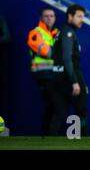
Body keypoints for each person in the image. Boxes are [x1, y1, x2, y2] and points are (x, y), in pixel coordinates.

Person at [50, 4, 87, 136]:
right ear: (70, 16)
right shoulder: (68, 32)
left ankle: (49, 142)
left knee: (59, 113)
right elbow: (67, 58)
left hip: (58, 77)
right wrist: (74, 81)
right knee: (81, 109)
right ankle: (79, 140)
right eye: (79, 16)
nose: (82, 19)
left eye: (83, 17)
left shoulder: (62, 31)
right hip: (70, 76)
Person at [27, 7, 59, 135]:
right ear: (41, 18)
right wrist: (58, 50)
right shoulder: (35, 33)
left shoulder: (55, 32)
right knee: (55, 106)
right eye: (46, 16)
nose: (49, 18)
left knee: (51, 106)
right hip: (43, 74)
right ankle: (49, 136)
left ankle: (46, 136)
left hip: (55, 74)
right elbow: (49, 53)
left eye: (52, 16)